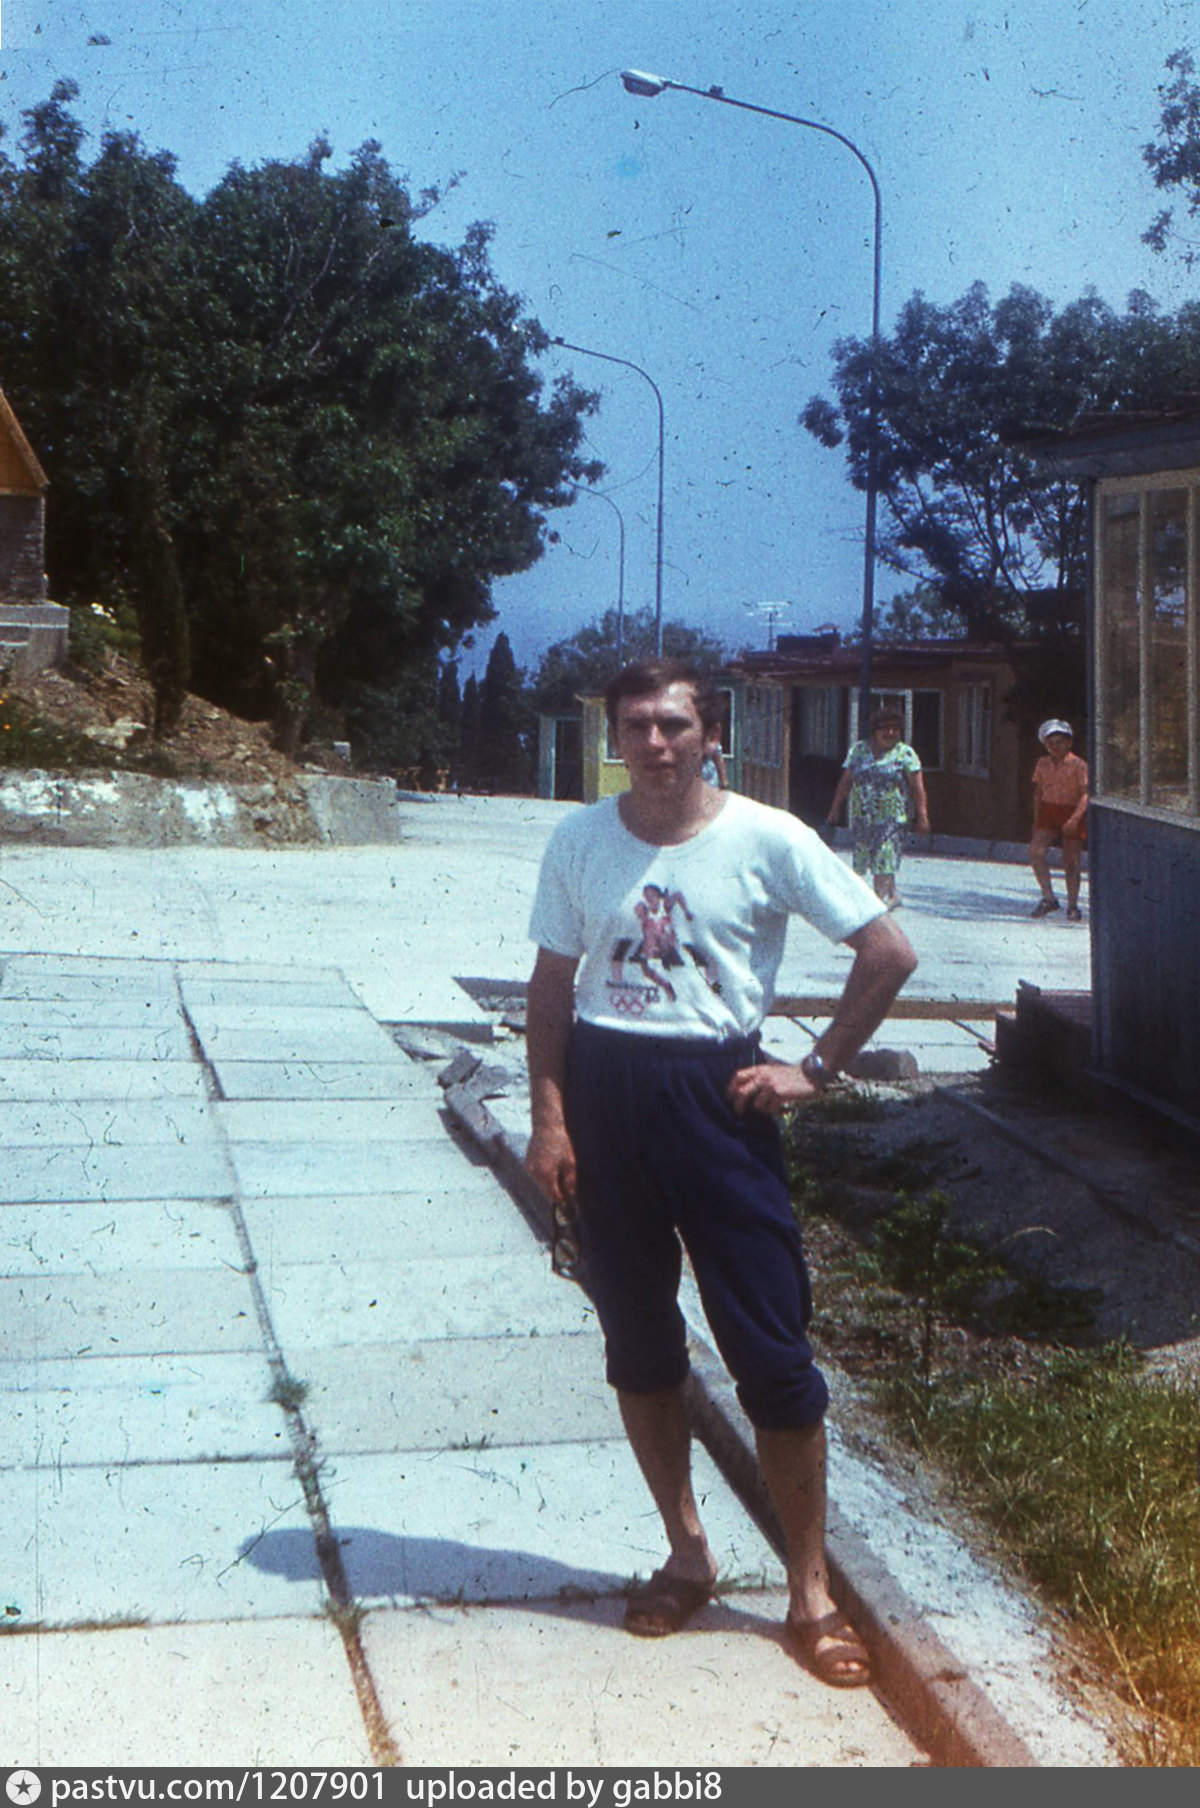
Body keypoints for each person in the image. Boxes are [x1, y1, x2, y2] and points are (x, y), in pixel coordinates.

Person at [524, 658, 917, 1689]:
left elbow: (888, 951)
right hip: (607, 1101)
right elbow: (552, 988)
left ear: (711, 734)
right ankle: (687, 1551)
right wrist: (550, 1120)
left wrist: (814, 1069)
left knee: (773, 1352)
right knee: (639, 1343)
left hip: (721, 1103)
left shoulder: (767, 837)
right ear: (617, 737)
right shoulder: (580, 840)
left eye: (674, 724)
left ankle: (809, 1591)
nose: (655, 743)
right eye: (636, 726)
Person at [825, 709, 930, 908]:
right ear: (874, 731)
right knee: (870, 856)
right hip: (863, 816)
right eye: (885, 729)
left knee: (885, 852)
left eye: (895, 729)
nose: (890, 733)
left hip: (893, 817)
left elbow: (917, 787)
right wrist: (835, 809)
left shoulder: (905, 753)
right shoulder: (858, 751)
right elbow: (846, 782)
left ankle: (880, 901)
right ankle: (890, 894)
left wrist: (922, 815)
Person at [1030, 718, 1088, 921]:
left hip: (1071, 810)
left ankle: (1073, 905)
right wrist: (1037, 816)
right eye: (1050, 743)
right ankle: (1048, 897)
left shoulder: (1079, 765)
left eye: (1060, 742)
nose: (1055, 747)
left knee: (1071, 861)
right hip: (1049, 810)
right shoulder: (1042, 763)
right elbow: (1039, 790)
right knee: (1036, 852)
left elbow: (1085, 794)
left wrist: (1075, 819)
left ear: (1069, 743)